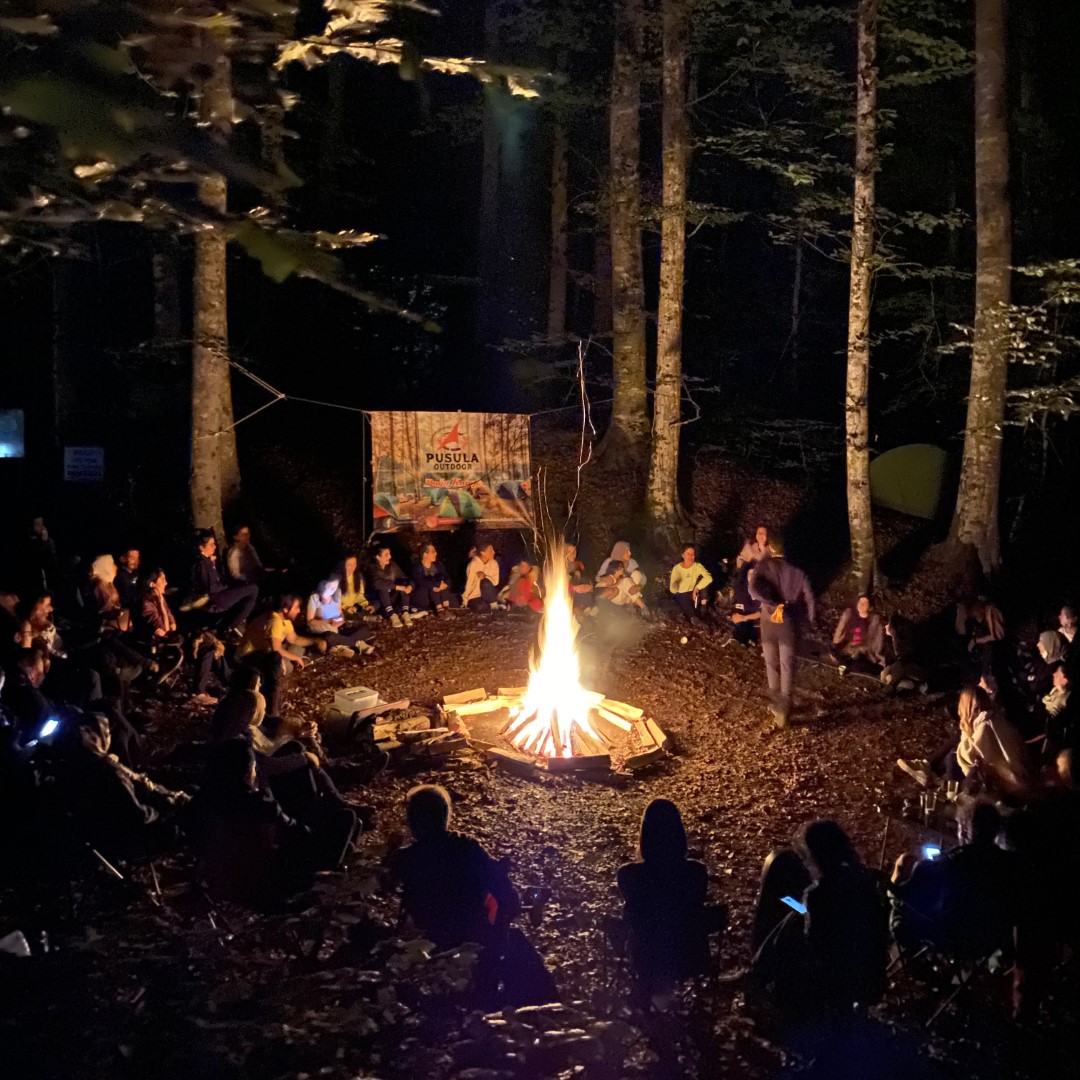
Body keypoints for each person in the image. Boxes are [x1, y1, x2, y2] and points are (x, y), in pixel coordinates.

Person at [386, 785, 556, 1006]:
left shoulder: (405, 859)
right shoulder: (468, 849)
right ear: (444, 817)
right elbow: (508, 898)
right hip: (472, 940)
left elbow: (386, 886)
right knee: (517, 944)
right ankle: (542, 1012)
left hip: (426, 941)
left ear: (413, 821)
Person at [186, 739, 351, 907]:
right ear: (247, 772)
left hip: (218, 883)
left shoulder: (199, 802)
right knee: (346, 819)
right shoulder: (260, 804)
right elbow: (297, 832)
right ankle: (322, 877)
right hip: (265, 886)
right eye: (254, 769)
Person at [747, 820, 887, 1019]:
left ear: (815, 857)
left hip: (833, 980)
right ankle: (757, 971)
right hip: (871, 974)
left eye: (806, 859)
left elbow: (816, 946)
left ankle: (757, 973)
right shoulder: (864, 881)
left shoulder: (819, 894)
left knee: (791, 923)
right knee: (795, 915)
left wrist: (801, 915)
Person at [617, 798, 726, 995]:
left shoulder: (629, 875)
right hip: (691, 958)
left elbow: (630, 918)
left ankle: (646, 1002)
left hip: (647, 959)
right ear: (679, 834)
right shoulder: (696, 872)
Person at [890, 800, 1018, 956]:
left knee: (904, 866)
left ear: (963, 831)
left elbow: (911, 896)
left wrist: (895, 885)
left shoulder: (950, 862)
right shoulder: (1008, 862)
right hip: (992, 940)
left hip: (953, 940)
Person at [748, 541, 815, 727]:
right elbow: (809, 596)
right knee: (786, 664)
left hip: (768, 620)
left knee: (771, 661)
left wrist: (770, 600)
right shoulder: (796, 571)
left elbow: (752, 589)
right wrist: (809, 619)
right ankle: (784, 705)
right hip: (788, 620)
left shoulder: (763, 565)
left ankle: (776, 702)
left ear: (770, 548)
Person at [236, 594, 325, 715]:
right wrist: (294, 658)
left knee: (296, 650)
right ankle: (271, 706)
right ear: (285, 609)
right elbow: (276, 650)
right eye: (297, 607)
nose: (299, 610)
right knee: (281, 661)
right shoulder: (275, 621)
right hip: (249, 657)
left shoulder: (284, 619)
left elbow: (294, 639)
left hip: (264, 653)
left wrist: (315, 641)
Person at [187, 529, 259, 635]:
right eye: (211, 545)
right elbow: (211, 588)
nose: (215, 547)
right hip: (214, 599)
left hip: (217, 595)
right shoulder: (202, 564)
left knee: (247, 589)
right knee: (253, 589)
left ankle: (235, 621)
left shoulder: (206, 561)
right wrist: (226, 586)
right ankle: (230, 626)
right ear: (201, 547)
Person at [305, 578, 376, 657]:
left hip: (336, 631)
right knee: (329, 636)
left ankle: (340, 646)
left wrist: (340, 621)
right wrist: (328, 621)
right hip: (321, 633)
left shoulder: (335, 597)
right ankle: (357, 644)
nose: (333, 589)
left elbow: (340, 614)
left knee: (364, 628)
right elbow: (309, 621)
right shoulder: (315, 598)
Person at [831, 594, 886, 673]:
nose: (861, 605)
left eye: (865, 603)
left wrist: (861, 649)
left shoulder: (875, 621)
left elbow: (876, 643)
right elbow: (842, 635)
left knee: (859, 664)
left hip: (864, 652)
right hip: (849, 649)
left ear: (870, 607)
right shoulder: (852, 617)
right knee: (837, 653)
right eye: (860, 602)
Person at [880, 613, 928, 694]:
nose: (885, 626)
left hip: (914, 669)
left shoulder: (905, 639)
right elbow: (889, 661)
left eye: (888, 624)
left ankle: (916, 685)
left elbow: (907, 659)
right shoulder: (889, 642)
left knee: (899, 670)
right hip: (903, 671)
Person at [368, 545, 415, 627]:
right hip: (379, 601)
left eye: (389, 554)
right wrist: (395, 587)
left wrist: (410, 586)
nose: (390, 556)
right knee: (383, 587)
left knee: (403, 584)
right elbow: (376, 583)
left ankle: (405, 612)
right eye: (386, 555)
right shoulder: (372, 568)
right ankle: (392, 615)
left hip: (392, 598)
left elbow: (404, 578)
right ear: (378, 557)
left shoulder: (392, 566)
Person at [668, 544, 713, 625]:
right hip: (681, 594)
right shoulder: (677, 568)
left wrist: (697, 588)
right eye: (688, 554)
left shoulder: (697, 566)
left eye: (692, 554)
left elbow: (709, 578)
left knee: (704, 581)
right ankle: (693, 617)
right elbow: (673, 590)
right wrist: (675, 585)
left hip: (693, 593)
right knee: (680, 596)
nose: (690, 556)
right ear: (683, 555)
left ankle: (703, 610)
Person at [89, 554, 131, 633]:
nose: (116, 567)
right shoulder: (98, 586)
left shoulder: (109, 584)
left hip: (113, 620)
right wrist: (117, 612)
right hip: (105, 626)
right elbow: (98, 611)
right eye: (112, 565)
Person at [410, 543, 455, 616]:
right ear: (425, 554)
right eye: (433, 552)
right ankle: (440, 610)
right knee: (433, 584)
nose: (436, 553)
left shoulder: (438, 565)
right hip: (424, 597)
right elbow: (421, 582)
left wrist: (444, 584)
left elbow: (447, 578)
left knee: (442, 583)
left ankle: (446, 610)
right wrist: (437, 585)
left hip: (438, 595)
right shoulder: (417, 567)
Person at [462, 544, 502, 613]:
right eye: (491, 550)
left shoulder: (494, 563)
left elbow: (495, 582)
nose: (494, 552)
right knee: (480, 607)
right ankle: (494, 606)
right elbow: (469, 583)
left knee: (485, 582)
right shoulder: (473, 564)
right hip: (475, 596)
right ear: (482, 553)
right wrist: (465, 600)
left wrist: (485, 576)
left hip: (489, 595)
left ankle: (494, 606)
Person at [337, 553, 374, 617]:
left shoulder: (357, 577)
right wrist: (345, 607)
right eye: (349, 565)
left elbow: (359, 595)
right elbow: (333, 599)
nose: (352, 567)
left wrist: (365, 604)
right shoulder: (337, 578)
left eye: (354, 564)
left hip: (352, 607)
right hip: (339, 609)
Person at [565, 544, 595, 614]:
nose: (573, 554)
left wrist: (590, 585)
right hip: (567, 592)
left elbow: (587, 577)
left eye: (574, 552)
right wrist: (574, 587)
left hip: (580, 589)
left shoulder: (578, 564)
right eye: (570, 552)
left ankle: (587, 608)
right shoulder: (559, 566)